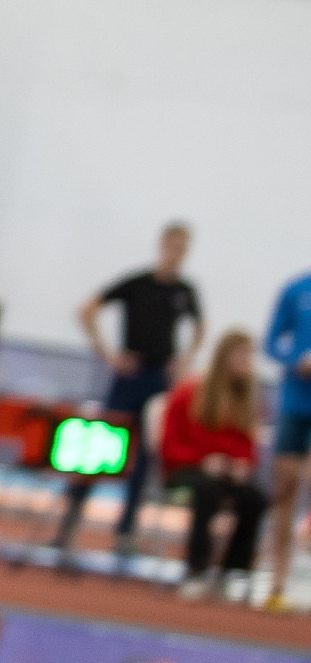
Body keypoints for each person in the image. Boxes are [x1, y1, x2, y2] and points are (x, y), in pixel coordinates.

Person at [58, 224, 203, 556]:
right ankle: (70, 520)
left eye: (184, 247)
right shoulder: (137, 283)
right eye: (174, 245)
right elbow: (87, 309)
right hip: (130, 376)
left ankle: (126, 531)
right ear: (163, 244)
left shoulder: (184, 290)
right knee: (102, 447)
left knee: (145, 456)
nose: (177, 253)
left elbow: (199, 326)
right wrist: (107, 353)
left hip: (159, 379)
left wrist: (186, 360)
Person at [158, 329, 269, 601]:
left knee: (255, 499)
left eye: (249, 357)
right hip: (186, 472)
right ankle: (197, 569)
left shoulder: (246, 400)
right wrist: (202, 462)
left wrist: (241, 466)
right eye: (241, 356)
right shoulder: (189, 393)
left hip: (226, 475)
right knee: (206, 491)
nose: (246, 364)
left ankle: (233, 572)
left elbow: (248, 448)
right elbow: (169, 446)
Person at [263, 267, 311, 611]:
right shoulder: (296, 289)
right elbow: (271, 342)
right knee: (285, 489)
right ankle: (277, 582)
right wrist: (297, 360)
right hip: (294, 405)